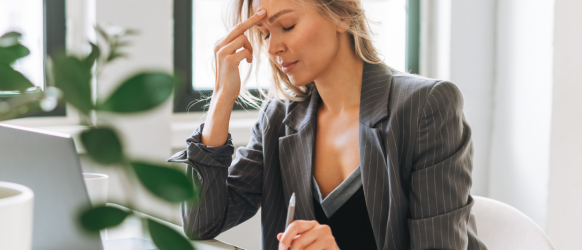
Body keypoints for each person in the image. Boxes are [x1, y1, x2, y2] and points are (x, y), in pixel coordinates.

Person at [168, 0, 487, 249]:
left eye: (287, 26)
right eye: (265, 33)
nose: (273, 47)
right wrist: (222, 98)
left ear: (343, 13)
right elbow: (201, 224)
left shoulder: (427, 106)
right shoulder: (278, 118)